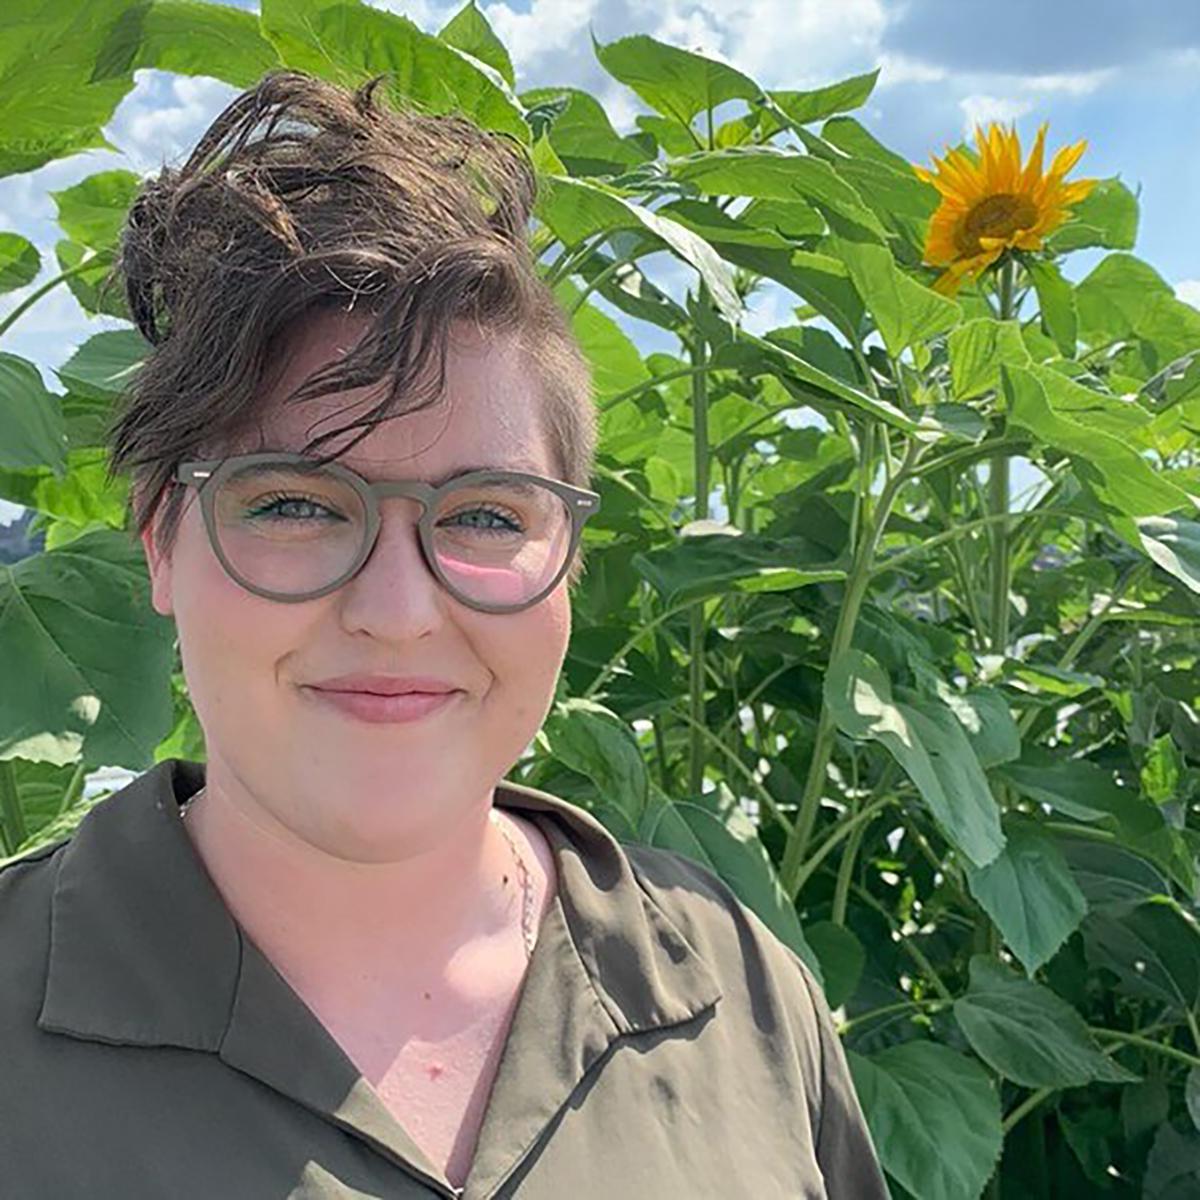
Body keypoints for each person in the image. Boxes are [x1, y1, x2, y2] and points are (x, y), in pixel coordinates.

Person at [0, 70, 890, 1199]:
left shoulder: (745, 999)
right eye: (296, 502)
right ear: (164, 541)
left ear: (568, 555)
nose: (398, 609)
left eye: (483, 514)